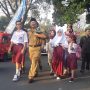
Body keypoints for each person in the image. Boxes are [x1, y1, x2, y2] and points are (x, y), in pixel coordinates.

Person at [28, 18, 47, 83]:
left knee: (34, 61)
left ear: (36, 24)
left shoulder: (39, 30)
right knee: (33, 61)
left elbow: (45, 36)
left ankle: (31, 76)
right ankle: (35, 71)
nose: (33, 24)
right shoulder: (28, 31)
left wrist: (38, 35)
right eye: (32, 23)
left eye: (34, 23)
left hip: (37, 48)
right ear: (30, 24)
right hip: (30, 48)